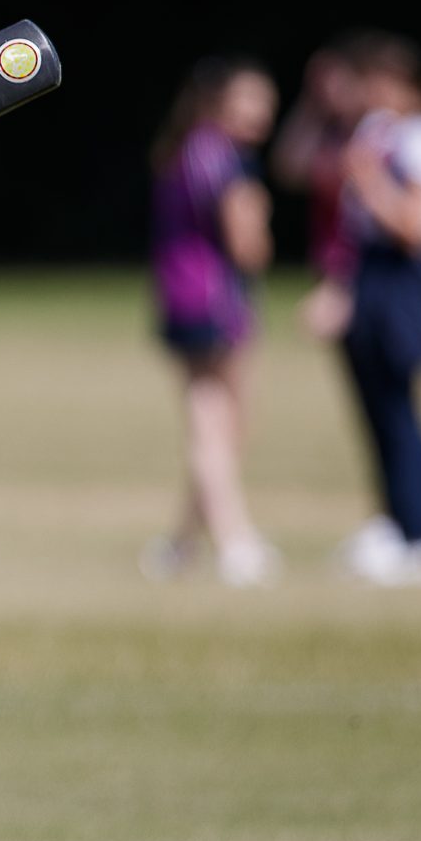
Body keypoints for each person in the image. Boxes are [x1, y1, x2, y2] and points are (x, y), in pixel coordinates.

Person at [295, 40, 421, 586]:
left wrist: (369, 181)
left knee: (398, 407)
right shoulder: (379, 132)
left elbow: (419, 229)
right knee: (374, 407)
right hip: (370, 274)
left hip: (402, 277)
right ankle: (401, 525)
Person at [142, 56, 281, 587]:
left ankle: (181, 545)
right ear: (217, 102)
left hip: (181, 296)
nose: (261, 111)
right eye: (249, 99)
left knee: (224, 426)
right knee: (215, 426)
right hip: (213, 300)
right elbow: (247, 245)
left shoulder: (183, 150)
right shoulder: (222, 158)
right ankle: (234, 542)